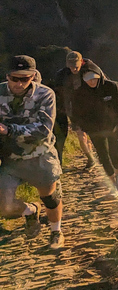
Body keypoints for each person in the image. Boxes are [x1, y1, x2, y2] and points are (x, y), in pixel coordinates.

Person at [0, 55, 66, 249]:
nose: (20, 83)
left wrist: (9, 130)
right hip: (10, 159)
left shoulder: (45, 94)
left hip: (39, 155)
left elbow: (44, 129)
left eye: (25, 78)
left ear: (34, 76)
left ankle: (56, 232)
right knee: (3, 206)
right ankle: (30, 211)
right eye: (15, 78)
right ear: (7, 75)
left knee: (50, 198)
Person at [74, 71, 118, 196]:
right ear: (83, 80)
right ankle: (112, 184)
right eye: (88, 79)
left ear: (99, 76)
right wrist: (85, 128)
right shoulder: (80, 93)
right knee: (103, 155)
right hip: (95, 130)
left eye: (94, 78)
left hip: (114, 126)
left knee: (114, 153)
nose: (92, 82)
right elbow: (77, 113)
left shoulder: (112, 86)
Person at [60, 51, 104, 169]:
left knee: (96, 134)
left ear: (81, 62)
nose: (73, 68)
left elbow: (104, 85)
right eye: (70, 66)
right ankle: (90, 158)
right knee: (81, 136)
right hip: (75, 110)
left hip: (93, 108)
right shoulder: (63, 75)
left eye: (76, 66)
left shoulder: (92, 68)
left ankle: (103, 156)